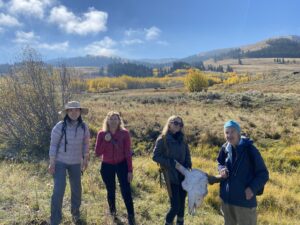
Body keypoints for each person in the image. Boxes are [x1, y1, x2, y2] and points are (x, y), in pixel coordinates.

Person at [217, 120, 269, 225]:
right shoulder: (225, 148)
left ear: (238, 133)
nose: (229, 135)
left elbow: (263, 174)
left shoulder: (250, 150)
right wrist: (221, 169)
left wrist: (252, 188)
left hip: (244, 204)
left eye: (232, 132)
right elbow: (219, 162)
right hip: (227, 202)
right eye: (227, 132)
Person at [48, 101, 90, 225]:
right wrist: (52, 162)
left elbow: (86, 144)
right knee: (59, 189)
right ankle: (55, 219)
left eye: (76, 110)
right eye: (71, 110)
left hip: (76, 162)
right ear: (67, 112)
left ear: (80, 112)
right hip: (60, 161)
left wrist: (86, 159)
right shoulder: (60, 126)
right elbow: (53, 145)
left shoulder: (84, 127)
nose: (74, 112)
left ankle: (75, 214)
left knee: (76, 189)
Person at [95, 111, 136, 225]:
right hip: (107, 166)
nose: (113, 121)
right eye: (111, 119)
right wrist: (106, 141)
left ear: (119, 121)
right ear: (107, 120)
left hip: (121, 165)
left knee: (126, 190)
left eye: (115, 119)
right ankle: (113, 214)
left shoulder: (124, 134)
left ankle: (131, 216)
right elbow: (98, 153)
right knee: (110, 190)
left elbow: (128, 153)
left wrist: (130, 170)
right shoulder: (101, 134)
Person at [153, 115, 192, 225]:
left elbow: (187, 153)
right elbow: (155, 156)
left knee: (182, 202)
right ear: (169, 124)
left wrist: (188, 165)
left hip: (184, 176)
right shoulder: (163, 139)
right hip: (171, 176)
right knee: (175, 206)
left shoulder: (183, 138)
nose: (178, 126)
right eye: (175, 123)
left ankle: (180, 222)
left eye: (181, 124)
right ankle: (168, 222)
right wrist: (170, 163)